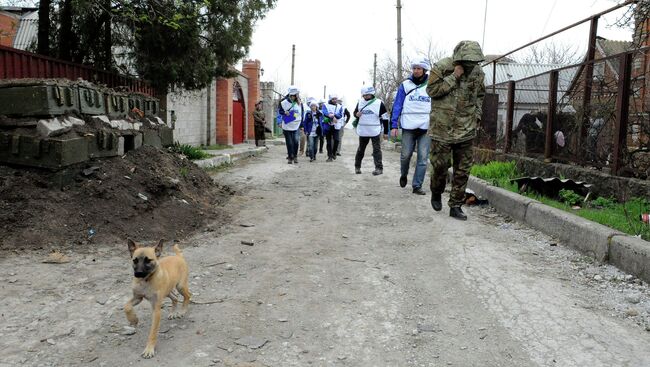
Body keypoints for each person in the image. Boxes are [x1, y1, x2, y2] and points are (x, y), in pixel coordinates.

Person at [427, 40, 485, 220]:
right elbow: (432, 91)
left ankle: (456, 205)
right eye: (468, 62)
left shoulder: (478, 73)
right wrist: (454, 76)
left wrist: (477, 115)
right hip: (441, 128)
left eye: (474, 62)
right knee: (440, 166)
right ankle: (436, 191)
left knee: (463, 170)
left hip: (466, 128)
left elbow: (480, 96)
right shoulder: (442, 67)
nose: (471, 65)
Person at [390, 59, 431, 195]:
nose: (416, 71)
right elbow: (397, 105)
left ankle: (417, 185)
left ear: (424, 70)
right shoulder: (405, 85)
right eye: (414, 68)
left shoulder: (432, 84)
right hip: (408, 125)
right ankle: (403, 174)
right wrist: (394, 125)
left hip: (426, 126)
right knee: (405, 155)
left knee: (423, 158)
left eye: (419, 68)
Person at [353, 86, 389, 175]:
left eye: (367, 95)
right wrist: (356, 114)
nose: (365, 97)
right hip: (363, 130)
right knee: (361, 149)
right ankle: (357, 167)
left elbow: (385, 118)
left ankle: (379, 168)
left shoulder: (379, 103)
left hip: (375, 130)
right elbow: (354, 113)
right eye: (364, 95)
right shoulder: (360, 102)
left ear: (371, 93)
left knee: (376, 150)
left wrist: (385, 132)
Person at [277, 86, 304, 164]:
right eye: (291, 95)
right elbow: (280, 111)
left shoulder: (300, 103)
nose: (293, 97)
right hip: (287, 124)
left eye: (294, 95)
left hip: (296, 125)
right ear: (289, 95)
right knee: (289, 142)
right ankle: (290, 157)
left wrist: (302, 125)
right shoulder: (283, 102)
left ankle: (295, 156)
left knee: (295, 141)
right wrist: (284, 113)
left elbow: (301, 114)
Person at [322, 94, 343, 161]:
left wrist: (334, 116)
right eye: (333, 99)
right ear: (330, 99)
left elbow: (340, 115)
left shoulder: (339, 106)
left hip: (336, 125)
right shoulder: (325, 105)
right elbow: (324, 112)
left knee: (336, 140)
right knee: (328, 142)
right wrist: (330, 116)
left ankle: (334, 153)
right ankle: (329, 156)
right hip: (328, 125)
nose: (334, 100)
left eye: (335, 99)